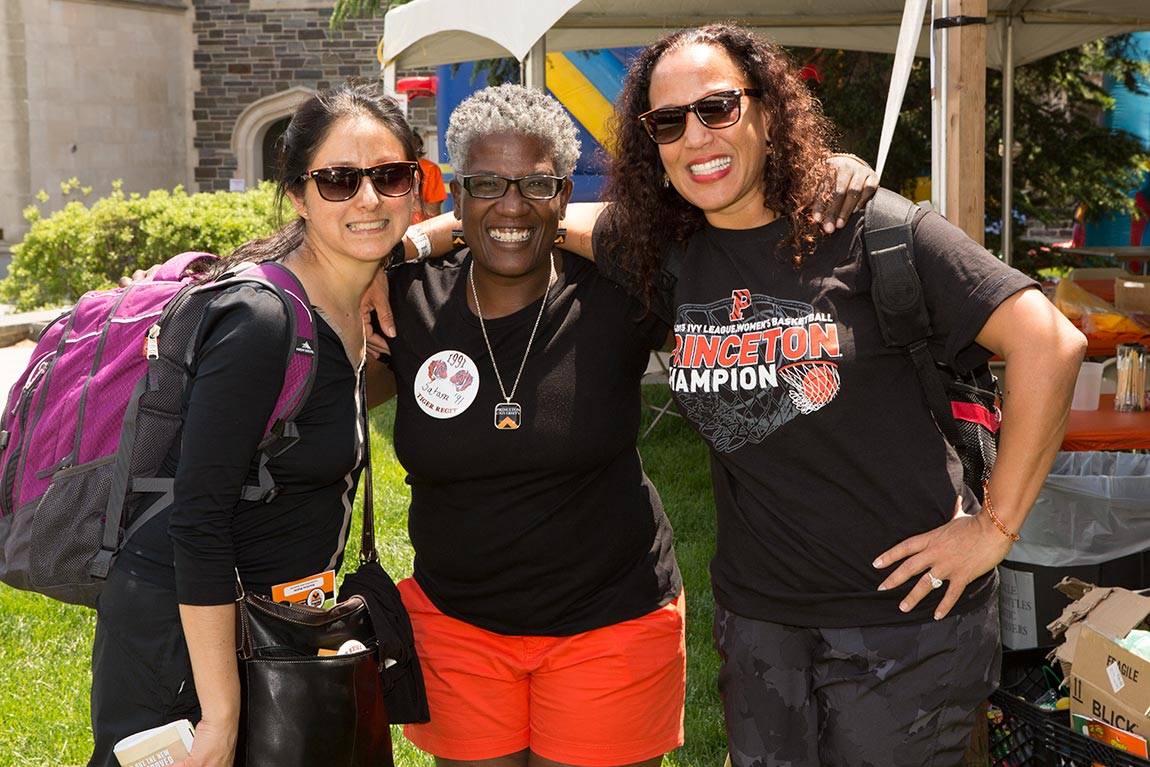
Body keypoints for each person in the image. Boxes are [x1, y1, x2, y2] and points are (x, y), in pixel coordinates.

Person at [573, 24, 1084, 766]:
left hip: (904, 630)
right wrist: (419, 238)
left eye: (717, 108)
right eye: (669, 121)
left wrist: (995, 529)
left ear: (768, 112)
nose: (696, 136)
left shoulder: (875, 232)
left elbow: (1050, 343)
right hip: (761, 626)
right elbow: (545, 221)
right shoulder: (675, 249)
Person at [88, 82, 417, 767]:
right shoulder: (262, 322)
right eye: (338, 180)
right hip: (185, 644)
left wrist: (398, 255)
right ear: (297, 194)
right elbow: (198, 520)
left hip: (275, 630)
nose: (368, 199)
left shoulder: (350, 299)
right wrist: (220, 717)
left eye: (389, 177)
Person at [371, 83, 685, 767]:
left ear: (566, 193)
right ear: (457, 191)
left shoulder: (616, 287)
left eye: (535, 185)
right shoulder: (407, 299)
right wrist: (391, 254)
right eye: (486, 184)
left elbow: (692, 229)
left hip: (611, 623)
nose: (510, 205)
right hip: (459, 627)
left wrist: (435, 230)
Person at [412, 128, 448, 222]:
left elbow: (432, 211)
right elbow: (433, 212)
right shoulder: (431, 168)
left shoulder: (430, 169)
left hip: (422, 229)